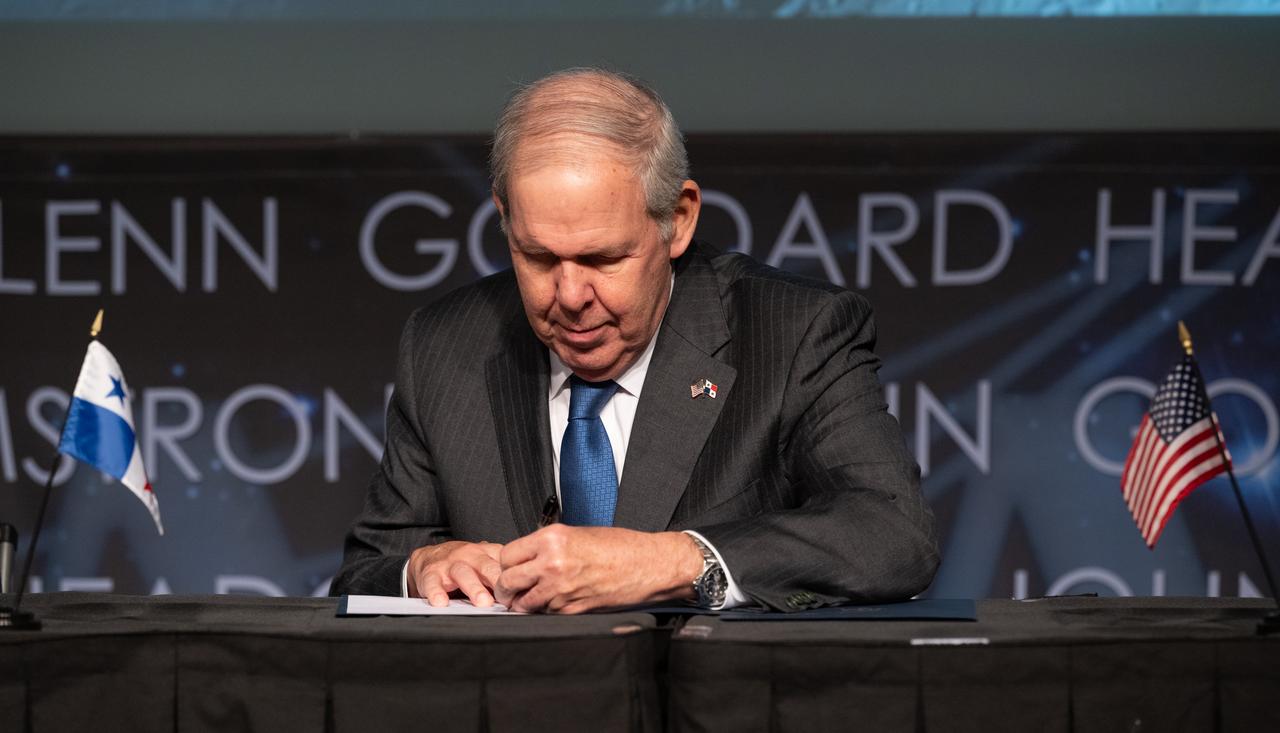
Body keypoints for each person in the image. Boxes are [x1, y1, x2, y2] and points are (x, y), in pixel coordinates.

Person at [331, 68, 938, 613]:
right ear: (504, 217)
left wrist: (673, 562)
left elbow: (892, 534)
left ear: (679, 219)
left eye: (603, 258)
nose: (570, 294)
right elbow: (364, 572)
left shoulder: (795, 331)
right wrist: (421, 569)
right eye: (537, 256)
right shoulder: (442, 345)